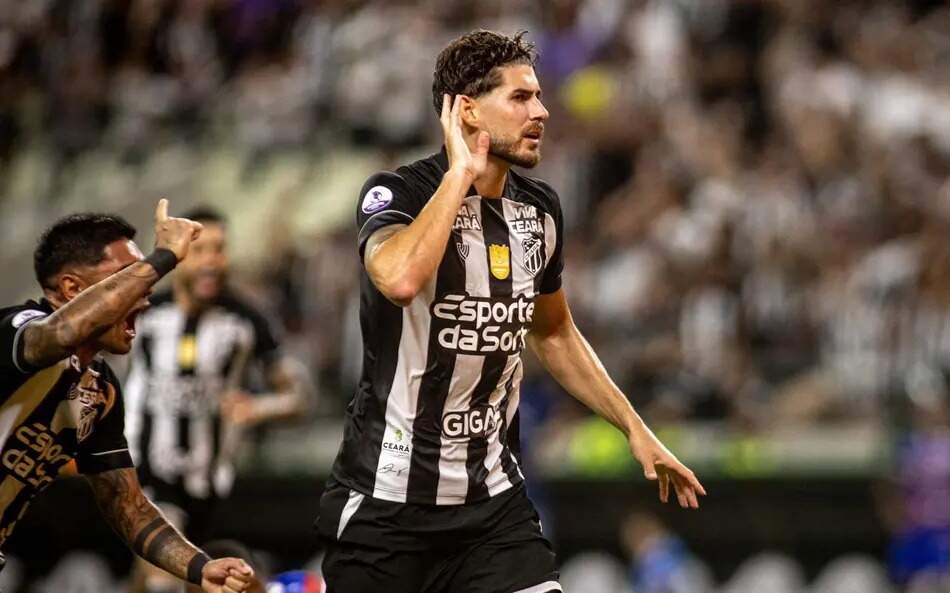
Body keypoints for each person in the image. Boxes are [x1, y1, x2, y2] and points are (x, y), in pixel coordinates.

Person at [316, 30, 706, 593]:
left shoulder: (540, 210)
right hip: (386, 506)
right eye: (520, 97)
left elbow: (556, 332)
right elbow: (399, 279)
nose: (541, 111)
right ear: (467, 111)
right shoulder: (396, 193)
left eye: (539, 96)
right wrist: (460, 174)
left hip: (491, 508)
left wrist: (634, 428)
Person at [0, 200, 254, 593]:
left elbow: (129, 507)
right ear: (72, 289)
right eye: (125, 276)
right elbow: (59, 333)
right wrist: (163, 257)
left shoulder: (99, 391)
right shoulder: (17, 329)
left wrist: (198, 567)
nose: (144, 292)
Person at [124, 206, 307, 592]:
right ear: (179, 256)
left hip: (212, 486)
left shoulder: (246, 320)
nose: (211, 261)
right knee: (162, 578)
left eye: (219, 249)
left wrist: (260, 407)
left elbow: (297, 395)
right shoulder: (143, 312)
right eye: (200, 250)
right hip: (149, 477)